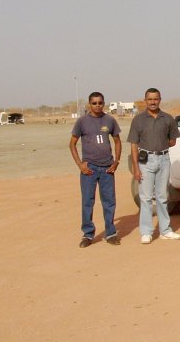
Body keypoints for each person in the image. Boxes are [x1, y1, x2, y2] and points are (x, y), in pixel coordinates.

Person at [127, 88, 180, 244]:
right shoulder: (138, 120)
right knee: (145, 198)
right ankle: (146, 231)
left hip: (164, 159)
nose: (153, 102)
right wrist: (136, 168)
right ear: (145, 100)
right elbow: (133, 145)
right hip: (146, 161)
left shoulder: (168, 119)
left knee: (163, 196)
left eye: (155, 99)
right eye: (150, 99)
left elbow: (173, 141)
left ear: (160, 100)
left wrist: (161, 144)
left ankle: (165, 230)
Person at [69, 92, 122, 248]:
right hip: (89, 169)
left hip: (107, 169)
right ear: (89, 104)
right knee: (87, 202)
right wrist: (80, 164)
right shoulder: (82, 122)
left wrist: (116, 162)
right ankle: (88, 234)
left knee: (109, 202)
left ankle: (110, 233)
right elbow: (72, 144)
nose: (97, 105)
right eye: (94, 103)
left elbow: (117, 141)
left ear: (103, 103)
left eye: (100, 103)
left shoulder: (110, 120)